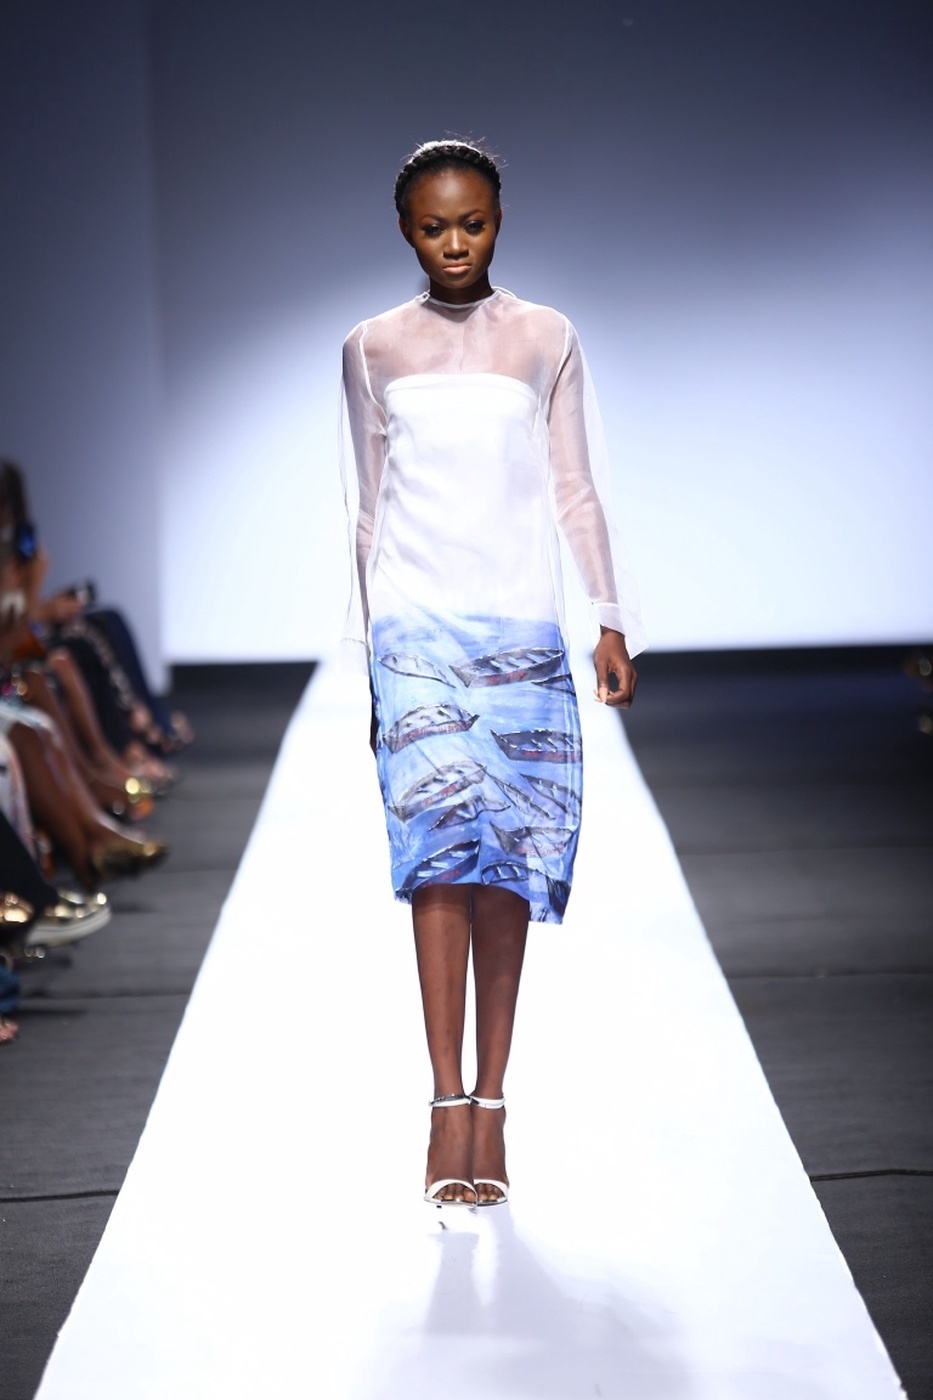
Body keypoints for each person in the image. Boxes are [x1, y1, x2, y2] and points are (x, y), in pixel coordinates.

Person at [341, 139, 646, 1207]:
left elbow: (576, 487)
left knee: (509, 862)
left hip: (520, 625)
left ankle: (495, 1103)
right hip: (414, 630)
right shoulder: (371, 347)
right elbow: (365, 508)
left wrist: (610, 620)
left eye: (471, 223)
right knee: (435, 862)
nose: (455, 243)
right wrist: (369, 658)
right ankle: (443, 1108)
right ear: (406, 230)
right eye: (434, 227)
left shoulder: (545, 336)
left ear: (499, 220)